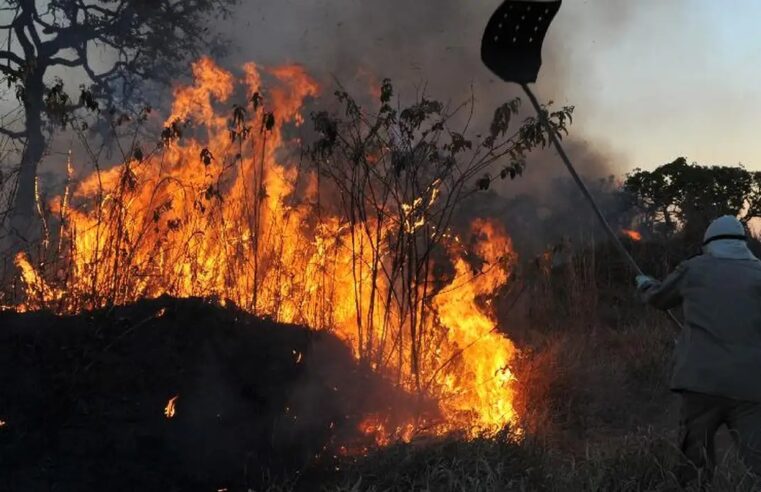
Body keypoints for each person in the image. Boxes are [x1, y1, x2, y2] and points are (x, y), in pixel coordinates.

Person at [637, 215, 761, 484]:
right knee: (757, 460)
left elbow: (659, 299)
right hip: (750, 386)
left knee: (694, 462)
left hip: (701, 383)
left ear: (709, 243)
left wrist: (645, 284)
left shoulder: (693, 269)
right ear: (743, 243)